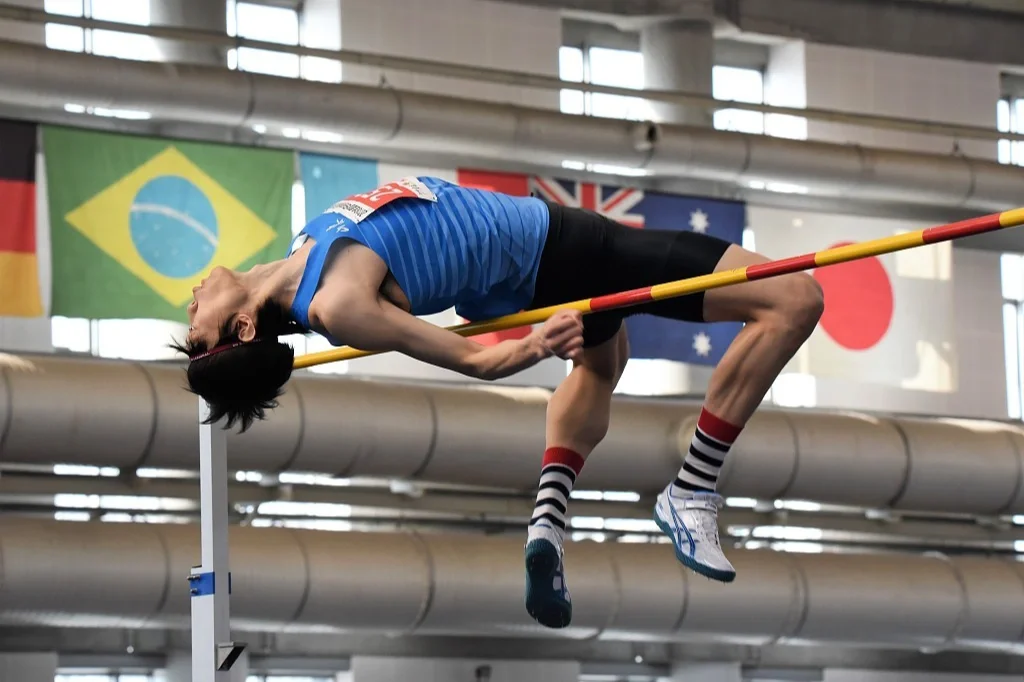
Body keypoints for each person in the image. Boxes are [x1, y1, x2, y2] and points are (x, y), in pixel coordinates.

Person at [173, 175, 824, 630]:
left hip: (548, 253)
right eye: (198, 323)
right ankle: (693, 488)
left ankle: (547, 524)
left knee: (605, 361)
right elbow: (477, 361)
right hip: (565, 252)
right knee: (792, 300)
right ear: (244, 331)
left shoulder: (303, 260)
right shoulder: (335, 302)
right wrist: (536, 344)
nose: (192, 300)